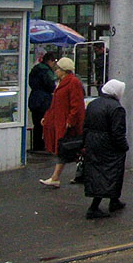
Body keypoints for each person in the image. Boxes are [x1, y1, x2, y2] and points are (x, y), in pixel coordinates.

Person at [81, 79, 129, 219]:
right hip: (109, 144)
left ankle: (113, 200)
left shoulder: (93, 104)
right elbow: (117, 132)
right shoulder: (116, 108)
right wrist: (124, 146)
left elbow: (86, 125)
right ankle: (95, 206)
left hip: (92, 141)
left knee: (97, 172)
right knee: (111, 173)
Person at [39, 57, 85, 188]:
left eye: (58, 68)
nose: (56, 71)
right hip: (61, 121)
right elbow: (55, 104)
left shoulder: (72, 82)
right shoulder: (63, 82)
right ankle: (77, 175)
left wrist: (71, 120)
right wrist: (47, 117)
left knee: (65, 148)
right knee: (70, 149)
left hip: (67, 123)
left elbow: (76, 104)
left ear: (64, 70)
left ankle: (55, 178)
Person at [27, 50, 58, 152]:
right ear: (50, 61)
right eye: (54, 62)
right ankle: (42, 145)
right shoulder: (46, 71)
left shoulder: (35, 69)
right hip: (43, 100)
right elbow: (50, 86)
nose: (54, 65)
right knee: (44, 122)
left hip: (33, 99)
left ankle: (36, 145)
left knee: (36, 124)